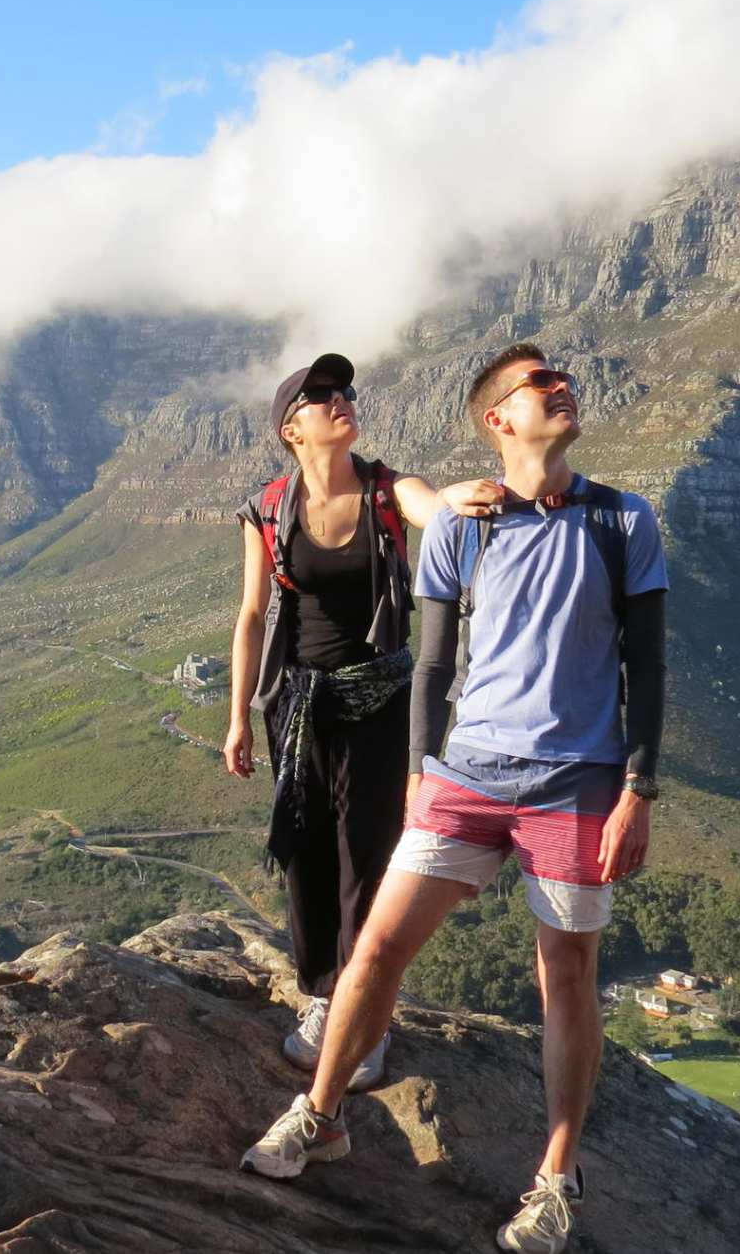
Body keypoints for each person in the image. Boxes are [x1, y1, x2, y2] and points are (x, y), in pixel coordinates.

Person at [239, 342, 669, 1254]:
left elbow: (648, 664)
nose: (563, 387)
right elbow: (433, 666)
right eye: (540, 383)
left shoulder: (624, 520)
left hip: (576, 784)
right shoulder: (464, 528)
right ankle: (321, 1114)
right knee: (377, 947)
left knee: (567, 978)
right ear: (498, 417)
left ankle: (556, 1180)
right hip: (466, 775)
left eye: (562, 378)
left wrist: (638, 787)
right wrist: (419, 769)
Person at [225, 352, 500, 1091]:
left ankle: (365, 1010)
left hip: (379, 703)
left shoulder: (385, 489)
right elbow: (251, 615)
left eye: (344, 390)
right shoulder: (268, 507)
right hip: (297, 707)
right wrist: (238, 718)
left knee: (365, 855)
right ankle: (324, 996)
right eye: (320, 395)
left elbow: (430, 506)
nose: (340, 399)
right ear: (292, 429)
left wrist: (456, 499)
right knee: (306, 851)